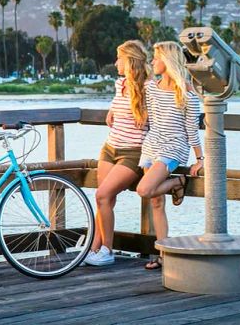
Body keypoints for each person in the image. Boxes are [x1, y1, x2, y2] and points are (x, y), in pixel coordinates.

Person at [135, 41, 204, 270]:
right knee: (155, 201)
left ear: (168, 61)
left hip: (173, 147)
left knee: (144, 189)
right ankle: (162, 253)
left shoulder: (186, 91)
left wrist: (199, 158)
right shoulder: (152, 88)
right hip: (152, 144)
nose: (153, 62)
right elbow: (147, 114)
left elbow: (191, 128)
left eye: (156, 58)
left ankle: (179, 181)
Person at [84, 40, 151, 267]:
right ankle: (93, 248)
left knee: (102, 196)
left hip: (132, 153)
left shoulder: (150, 88)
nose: (115, 63)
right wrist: (112, 110)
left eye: (119, 59)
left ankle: (107, 250)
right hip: (110, 148)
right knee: (105, 199)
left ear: (129, 61)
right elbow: (120, 106)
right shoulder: (120, 84)